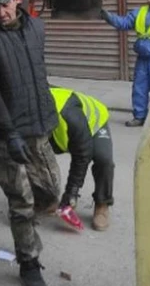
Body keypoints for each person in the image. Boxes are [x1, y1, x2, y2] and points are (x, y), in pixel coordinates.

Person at [0, 0, 61, 286]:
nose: (1, 13)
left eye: (5, 5)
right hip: (4, 133)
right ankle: (29, 262)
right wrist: (9, 134)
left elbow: (39, 72)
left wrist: (50, 114)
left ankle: (28, 221)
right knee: (20, 199)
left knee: (50, 189)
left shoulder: (37, 28)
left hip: (37, 124)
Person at [48, 87, 114, 231]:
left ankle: (102, 203)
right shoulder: (28, 112)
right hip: (64, 132)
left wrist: (71, 193)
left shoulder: (69, 115)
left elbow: (82, 155)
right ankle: (46, 199)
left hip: (94, 123)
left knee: (104, 160)